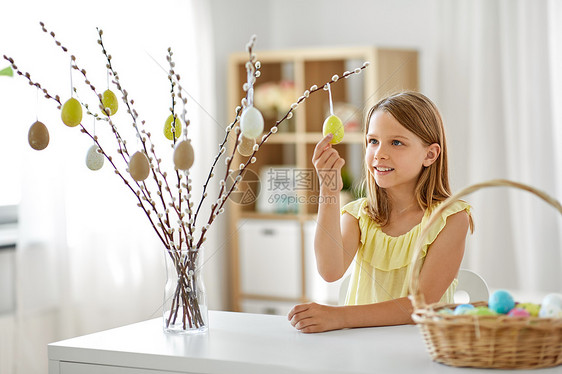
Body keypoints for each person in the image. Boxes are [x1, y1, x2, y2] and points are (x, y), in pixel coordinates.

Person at [288, 91, 472, 333]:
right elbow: (330, 271)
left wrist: (339, 317)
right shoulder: (359, 215)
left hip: (423, 350)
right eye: (373, 141)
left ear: (430, 154)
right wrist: (329, 189)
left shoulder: (451, 219)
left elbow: (421, 304)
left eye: (396, 142)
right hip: (361, 350)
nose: (379, 153)